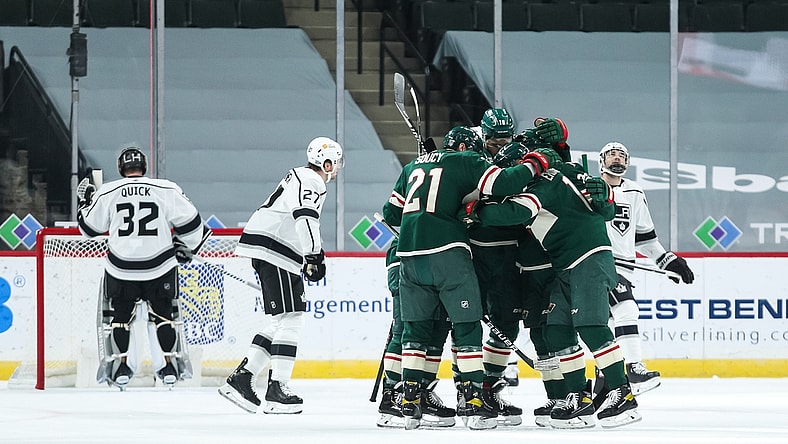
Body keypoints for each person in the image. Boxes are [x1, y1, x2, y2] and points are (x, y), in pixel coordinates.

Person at [381, 125, 554, 430]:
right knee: (466, 327)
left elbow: (391, 214)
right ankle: (472, 400)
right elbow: (503, 182)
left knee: (416, 330)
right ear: (464, 148)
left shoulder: (411, 166)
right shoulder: (466, 161)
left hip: (407, 256)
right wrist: (535, 162)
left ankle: (408, 402)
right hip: (448, 252)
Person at [469, 140, 643, 429]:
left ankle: (622, 393)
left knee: (591, 325)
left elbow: (514, 213)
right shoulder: (557, 174)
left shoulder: (541, 184)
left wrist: (476, 209)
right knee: (556, 328)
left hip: (587, 257)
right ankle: (578, 398)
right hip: (565, 265)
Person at [218, 136, 343, 415]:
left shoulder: (299, 176)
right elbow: (305, 216)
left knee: (283, 319)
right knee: (292, 318)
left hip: (270, 248)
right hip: (276, 250)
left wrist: (312, 253)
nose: (336, 169)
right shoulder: (312, 181)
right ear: (326, 162)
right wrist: (314, 254)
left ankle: (244, 377)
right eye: (335, 163)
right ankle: (277, 388)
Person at [77, 145, 211, 391]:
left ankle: (121, 369)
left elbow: (88, 229)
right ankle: (170, 368)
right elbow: (193, 224)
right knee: (163, 317)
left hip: (121, 268)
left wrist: (84, 203)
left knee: (120, 320)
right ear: (144, 167)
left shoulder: (108, 191)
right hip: (160, 265)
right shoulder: (166, 189)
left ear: (121, 168)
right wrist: (187, 246)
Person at [598, 141, 695, 395]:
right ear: (601, 161)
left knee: (605, 326)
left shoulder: (635, 193)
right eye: (612, 155)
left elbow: (645, 239)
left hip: (625, 269)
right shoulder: (590, 188)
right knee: (626, 309)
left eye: (622, 156)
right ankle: (633, 369)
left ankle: (604, 383)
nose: (617, 159)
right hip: (599, 265)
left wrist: (667, 260)